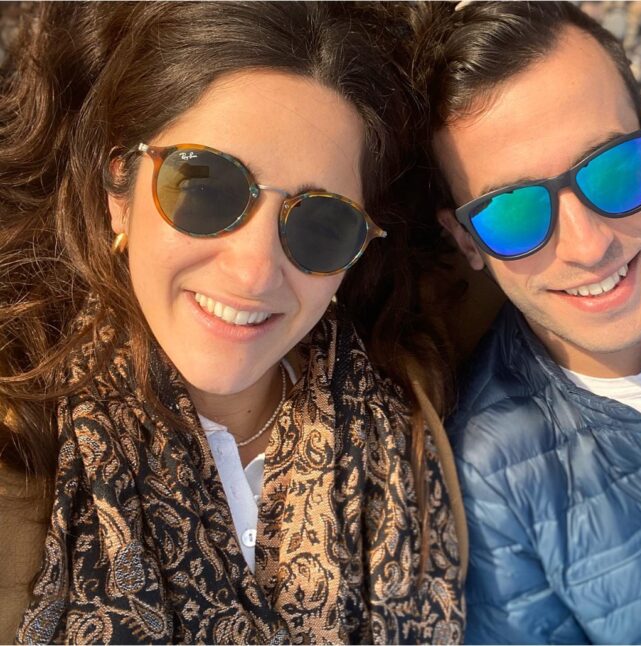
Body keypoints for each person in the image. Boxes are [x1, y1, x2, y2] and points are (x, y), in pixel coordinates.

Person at [0, 3, 467, 643]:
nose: (255, 272)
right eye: (205, 187)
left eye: (322, 222)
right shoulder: (22, 446)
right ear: (118, 191)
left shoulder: (407, 418)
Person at [407, 1, 641, 643]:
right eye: (514, 212)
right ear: (466, 242)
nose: (588, 246)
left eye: (612, 168)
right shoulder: (495, 479)